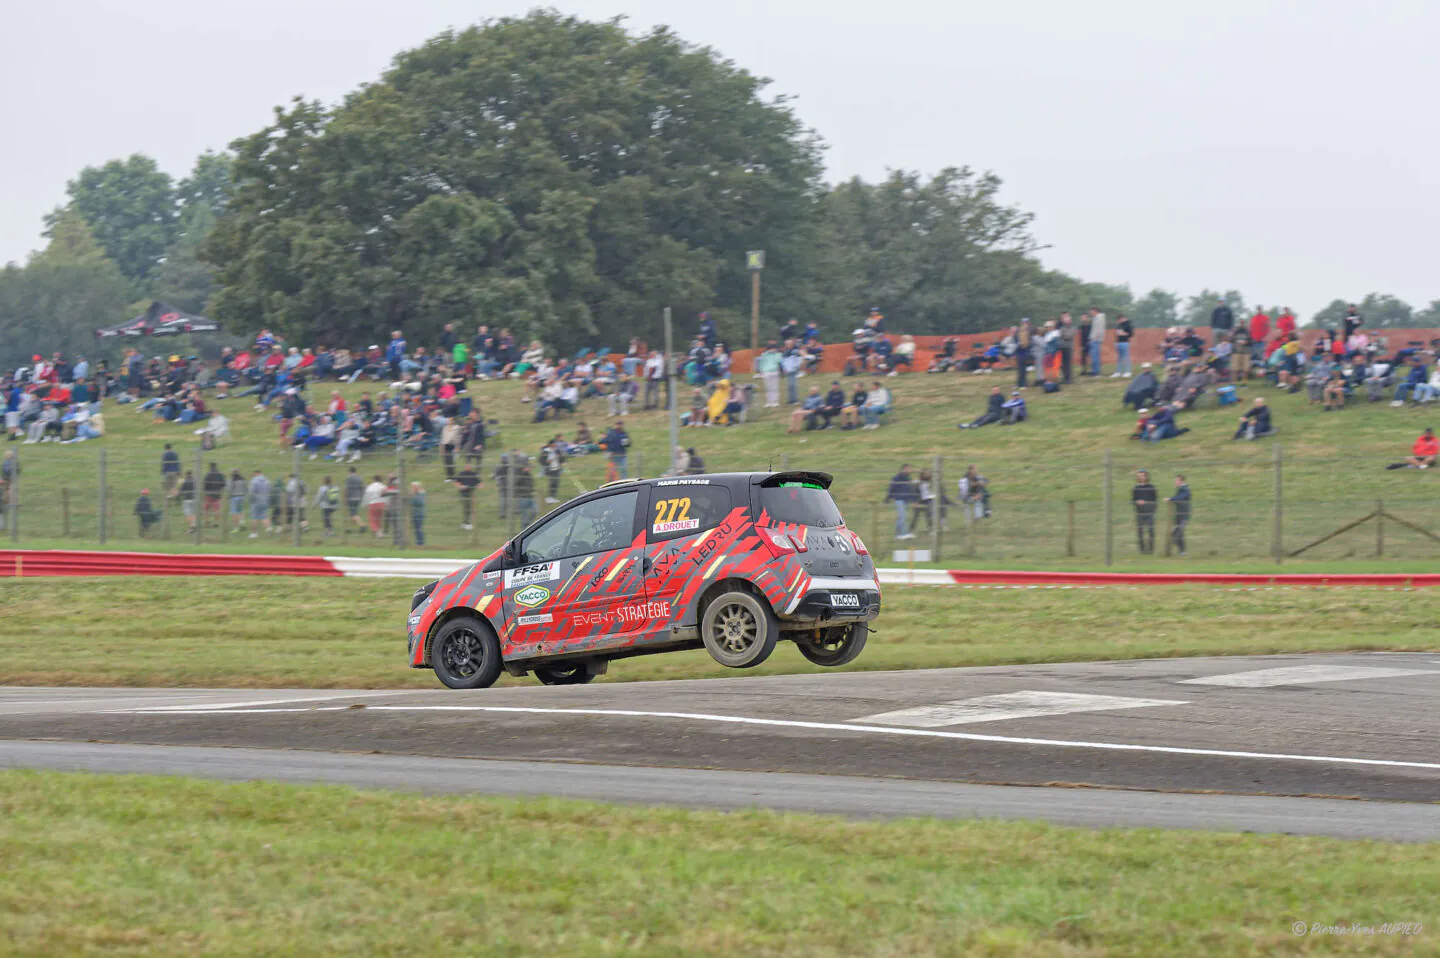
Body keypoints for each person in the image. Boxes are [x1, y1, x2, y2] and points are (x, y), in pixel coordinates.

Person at [886, 464, 917, 540]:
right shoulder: (897, 478)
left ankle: (897, 534)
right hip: (899, 499)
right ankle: (904, 533)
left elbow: (910, 490)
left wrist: (913, 500)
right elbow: (891, 488)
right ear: (902, 469)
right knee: (903, 516)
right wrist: (888, 498)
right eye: (908, 469)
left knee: (901, 517)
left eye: (910, 469)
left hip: (906, 500)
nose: (909, 470)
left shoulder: (908, 478)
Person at [1132, 469, 1157, 555]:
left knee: (1151, 530)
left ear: (1146, 476)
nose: (1141, 477)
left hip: (1149, 512)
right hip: (1140, 513)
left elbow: (1155, 500)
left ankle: (1150, 549)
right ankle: (1142, 550)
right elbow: (1133, 500)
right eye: (1139, 476)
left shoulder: (1151, 487)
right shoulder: (1136, 488)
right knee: (1140, 531)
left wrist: (1147, 503)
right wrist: (1137, 502)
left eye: (1143, 475)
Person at [1165, 474, 1191, 556]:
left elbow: (1181, 497)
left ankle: (1182, 551)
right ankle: (1182, 551)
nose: (1175, 482)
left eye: (1176, 481)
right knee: (1175, 534)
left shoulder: (1186, 489)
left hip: (1184, 515)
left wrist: (1170, 499)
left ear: (1181, 481)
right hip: (1179, 515)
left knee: (1178, 533)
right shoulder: (1180, 489)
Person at [247, 470, 271, 538]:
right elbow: (269, 489)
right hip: (265, 500)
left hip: (256, 501)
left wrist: (250, 500)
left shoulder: (254, 481)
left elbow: (251, 491)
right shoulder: (267, 480)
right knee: (264, 516)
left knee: (254, 517)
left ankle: (254, 533)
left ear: (256, 473)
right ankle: (268, 529)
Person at [455, 463, 480, 529]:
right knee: (466, 508)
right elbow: (457, 483)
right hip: (463, 493)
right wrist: (461, 486)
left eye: (469, 466)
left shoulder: (473, 474)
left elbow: (479, 483)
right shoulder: (461, 474)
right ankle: (467, 523)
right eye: (467, 466)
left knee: (469, 508)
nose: (468, 468)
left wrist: (477, 486)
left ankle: (466, 522)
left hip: (471, 493)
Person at [202, 462, 225, 528]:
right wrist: (219, 488)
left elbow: (205, 484)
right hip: (217, 494)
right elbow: (223, 484)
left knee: (206, 509)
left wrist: (206, 490)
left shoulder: (208, 474)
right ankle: (216, 523)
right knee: (216, 509)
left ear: (210, 467)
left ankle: (206, 522)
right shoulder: (219, 474)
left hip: (208, 494)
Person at [344, 466, 365, 534]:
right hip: (358, 497)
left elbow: (346, 489)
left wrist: (345, 498)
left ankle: (362, 525)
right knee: (353, 513)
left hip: (351, 498)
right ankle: (348, 528)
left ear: (349, 472)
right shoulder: (359, 478)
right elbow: (362, 488)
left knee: (353, 513)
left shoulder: (349, 478)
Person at [226, 469, 247, 534]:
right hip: (242, 497)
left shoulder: (231, 480)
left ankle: (236, 528)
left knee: (234, 513)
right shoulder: (243, 480)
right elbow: (246, 489)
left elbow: (228, 489)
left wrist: (228, 496)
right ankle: (242, 523)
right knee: (240, 511)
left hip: (234, 498)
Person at [409, 481, 426, 546]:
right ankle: (418, 542)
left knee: (419, 528)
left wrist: (413, 497)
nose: (412, 488)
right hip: (414, 513)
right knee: (416, 529)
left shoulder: (421, 493)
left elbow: (420, 502)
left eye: (413, 487)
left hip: (419, 513)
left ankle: (421, 542)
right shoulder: (415, 494)